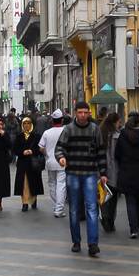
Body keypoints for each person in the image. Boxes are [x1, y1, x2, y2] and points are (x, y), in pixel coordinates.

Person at [55, 101, 107, 256]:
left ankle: (93, 244)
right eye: (80, 112)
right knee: (74, 209)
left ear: (89, 113)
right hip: (73, 174)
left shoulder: (95, 129)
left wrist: (103, 173)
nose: (83, 115)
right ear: (75, 113)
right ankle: (76, 241)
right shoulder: (68, 129)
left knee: (92, 208)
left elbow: (101, 152)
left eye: (86, 112)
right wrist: (61, 158)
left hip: (90, 173)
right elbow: (59, 148)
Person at [114, 111, 139, 239]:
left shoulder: (122, 135)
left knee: (130, 200)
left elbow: (117, 154)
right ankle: (137, 225)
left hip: (127, 171)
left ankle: (133, 228)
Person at [39, 108, 68, 217]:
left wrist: (47, 154)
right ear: (62, 120)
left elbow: (41, 147)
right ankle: (59, 209)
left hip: (50, 161)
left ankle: (57, 206)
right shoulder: (66, 131)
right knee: (61, 185)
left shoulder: (47, 133)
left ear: (52, 120)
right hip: (62, 161)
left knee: (52, 184)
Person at [14, 115, 43, 212]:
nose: (26, 125)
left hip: (33, 163)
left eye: (28, 123)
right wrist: (22, 152)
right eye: (24, 123)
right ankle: (25, 203)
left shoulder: (36, 136)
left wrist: (32, 151)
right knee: (24, 183)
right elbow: (15, 149)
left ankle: (34, 200)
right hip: (22, 163)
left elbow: (40, 149)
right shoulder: (19, 136)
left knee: (34, 182)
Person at [99, 111, 121, 232]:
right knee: (113, 198)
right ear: (115, 122)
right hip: (114, 170)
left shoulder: (99, 133)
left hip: (101, 170)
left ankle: (105, 217)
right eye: (118, 122)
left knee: (103, 197)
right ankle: (110, 220)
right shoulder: (118, 136)